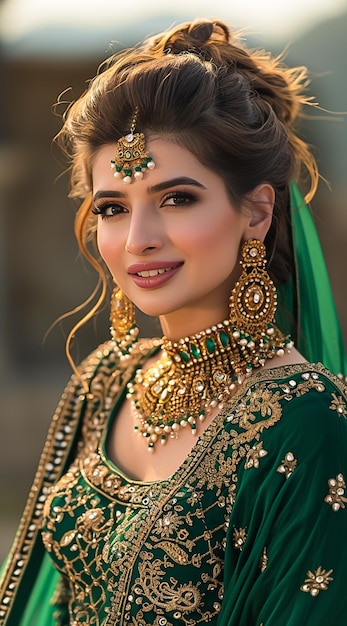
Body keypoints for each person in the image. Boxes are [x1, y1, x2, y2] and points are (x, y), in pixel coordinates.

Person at [1, 17, 347, 626]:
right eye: (112, 208)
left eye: (176, 199)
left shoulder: (307, 424)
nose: (138, 240)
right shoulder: (106, 382)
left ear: (256, 212)